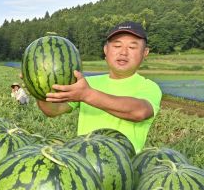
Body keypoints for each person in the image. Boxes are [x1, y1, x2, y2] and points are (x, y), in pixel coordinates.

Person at [36, 21, 162, 153]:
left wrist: (87, 95)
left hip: (123, 166)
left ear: (145, 53)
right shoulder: (87, 83)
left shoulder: (149, 87)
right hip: (83, 164)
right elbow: (52, 110)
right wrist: (38, 88)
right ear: (106, 50)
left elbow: (139, 112)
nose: (123, 52)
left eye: (132, 47)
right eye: (117, 45)